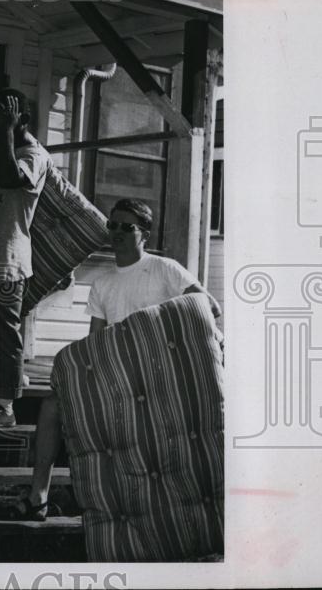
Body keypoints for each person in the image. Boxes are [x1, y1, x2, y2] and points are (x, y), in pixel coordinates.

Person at [17, 197, 220, 519]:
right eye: (113, 225)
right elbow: (94, 342)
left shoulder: (163, 269)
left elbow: (209, 306)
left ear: (144, 235)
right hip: (117, 376)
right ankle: (37, 496)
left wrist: (150, 329)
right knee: (52, 404)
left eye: (128, 227)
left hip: (158, 375)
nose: (118, 232)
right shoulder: (102, 282)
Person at [0, 89, 50, 427]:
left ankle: (5, 410)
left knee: (5, 332)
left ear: (22, 120)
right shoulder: (0, 147)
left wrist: (5, 131)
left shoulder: (33, 154)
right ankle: (13, 380)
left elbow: (9, 178)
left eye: (5, 117)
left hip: (7, 257)